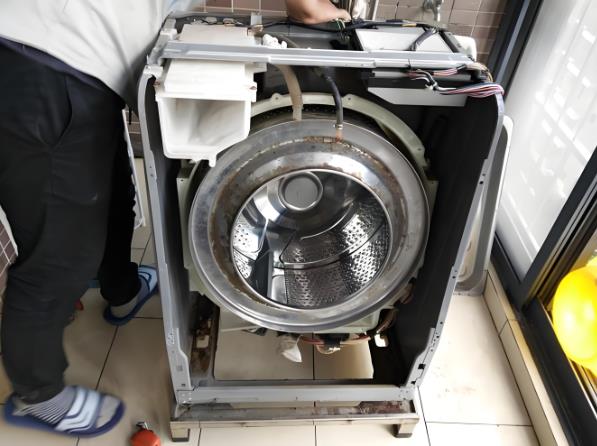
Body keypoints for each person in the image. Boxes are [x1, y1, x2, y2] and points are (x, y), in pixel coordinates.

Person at [0, 0, 350, 439]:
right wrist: (319, 9)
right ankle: (37, 395)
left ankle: (122, 290)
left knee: (112, 196)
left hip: (75, 66)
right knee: (59, 254)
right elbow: (307, 9)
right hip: (36, 61)